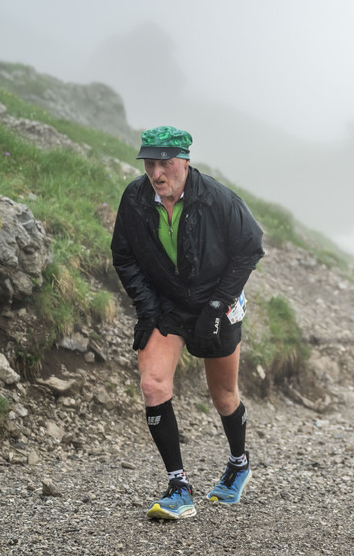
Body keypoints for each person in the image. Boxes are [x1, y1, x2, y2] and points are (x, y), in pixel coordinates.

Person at [111, 126, 265, 520]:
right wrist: (148, 309)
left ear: (185, 161)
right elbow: (124, 255)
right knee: (152, 383)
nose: (157, 173)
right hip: (168, 303)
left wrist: (217, 305)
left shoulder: (217, 199)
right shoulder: (135, 197)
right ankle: (179, 487)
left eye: (166, 163)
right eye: (150, 163)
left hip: (217, 300)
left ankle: (238, 463)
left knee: (223, 395)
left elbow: (251, 248)